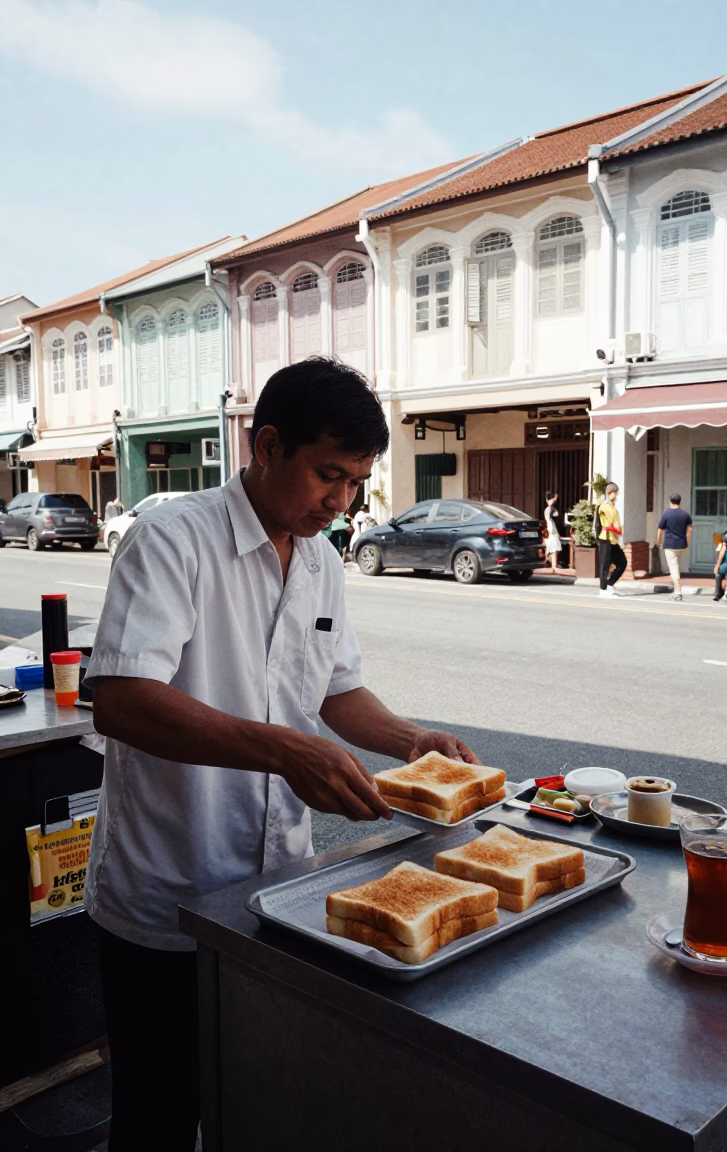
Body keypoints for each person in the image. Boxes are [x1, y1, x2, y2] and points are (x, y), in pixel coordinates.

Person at [84, 357, 478, 1152]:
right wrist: (281, 751)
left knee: (260, 1103)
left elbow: (335, 689)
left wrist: (409, 740)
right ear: (267, 446)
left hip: (277, 896)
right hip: (166, 897)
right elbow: (122, 700)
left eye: (357, 483)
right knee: (158, 1120)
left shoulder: (325, 560)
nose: (340, 503)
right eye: (327, 476)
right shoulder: (174, 540)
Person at [655, 494, 692, 601]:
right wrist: (688, 542)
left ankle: (678, 591)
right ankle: (677, 588)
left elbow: (660, 529)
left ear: (670, 501)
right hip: (682, 544)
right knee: (677, 566)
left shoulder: (666, 514)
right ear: (679, 502)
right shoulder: (685, 515)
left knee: (673, 568)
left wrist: (658, 542)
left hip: (670, 545)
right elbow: (689, 531)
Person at [595, 482, 626, 598]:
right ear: (610, 493)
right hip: (605, 538)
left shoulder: (611, 506)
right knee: (605, 564)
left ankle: (610, 584)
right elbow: (612, 522)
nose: (617, 496)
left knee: (622, 562)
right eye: (616, 493)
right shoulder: (604, 506)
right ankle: (603, 589)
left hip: (613, 539)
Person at [544, 491, 564, 574]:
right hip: (551, 529)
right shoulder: (548, 509)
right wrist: (554, 498)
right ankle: (553, 565)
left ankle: (551, 564)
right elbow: (548, 520)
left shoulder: (552, 508)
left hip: (552, 529)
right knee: (553, 548)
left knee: (553, 549)